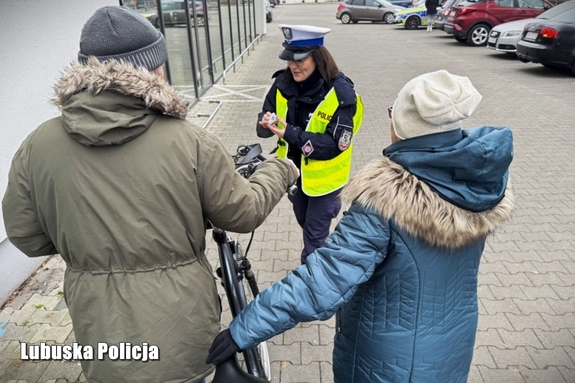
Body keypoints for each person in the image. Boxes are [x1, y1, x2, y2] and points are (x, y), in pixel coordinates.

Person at [1, 6, 298, 383]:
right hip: (182, 334)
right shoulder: (190, 141)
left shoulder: (37, 145)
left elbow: (25, 236)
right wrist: (281, 168)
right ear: (154, 70)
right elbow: (242, 213)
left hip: (102, 336)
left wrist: (84, 241)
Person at [206, 70, 515, 382]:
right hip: (452, 346)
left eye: (393, 113)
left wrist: (243, 329)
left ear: (407, 125)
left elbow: (322, 282)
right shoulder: (478, 181)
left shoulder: (386, 202)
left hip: (387, 363)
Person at [257, 24, 364, 265]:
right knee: (306, 224)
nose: (293, 65)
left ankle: (312, 289)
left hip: (325, 183)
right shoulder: (282, 83)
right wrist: (264, 123)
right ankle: (329, 253)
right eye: (289, 59)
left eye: (300, 60)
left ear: (317, 57)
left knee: (314, 241)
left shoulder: (340, 92)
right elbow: (264, 119)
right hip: (295, 176)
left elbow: (333, 146)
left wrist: (289, 132)